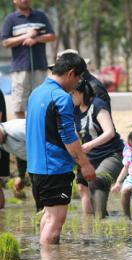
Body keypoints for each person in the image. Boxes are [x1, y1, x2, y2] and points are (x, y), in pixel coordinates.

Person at [26, 52, 95, 245]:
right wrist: (85, 164)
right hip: (54, 167)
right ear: (71, 73)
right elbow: (68, 137)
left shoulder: (35, 93)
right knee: (56, 221)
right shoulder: (61, 98)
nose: (78, 83)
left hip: (36, 167)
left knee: (48, 217)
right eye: (79, 77)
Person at [72, 79, 124, 218]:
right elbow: (77, 135)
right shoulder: (74, 110)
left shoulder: (97, 105)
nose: (69, 98)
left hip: (112, 154)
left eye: (71, 94)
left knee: (98, 179)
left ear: (80, 92)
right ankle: (91, 225)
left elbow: (110, 132)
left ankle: (100, 220)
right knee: (82, 186)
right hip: (90, 157)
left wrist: (90, 145)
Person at [1, 0, 56, 119]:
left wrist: (36, 39)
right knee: (19, 106)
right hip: (20, 69)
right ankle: (23, 135)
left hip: (40, 67)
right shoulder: (10, 19)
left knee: (42, 103)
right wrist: (25, 36)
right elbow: (5, 42)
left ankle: (41, 133)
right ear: (14, 1)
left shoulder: (40, 16)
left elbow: (52, 36)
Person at [0, 118, 27, 209]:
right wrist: (21, 175)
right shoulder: (2, 143)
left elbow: (41, 141)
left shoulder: (17, 129)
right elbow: (20, 153)